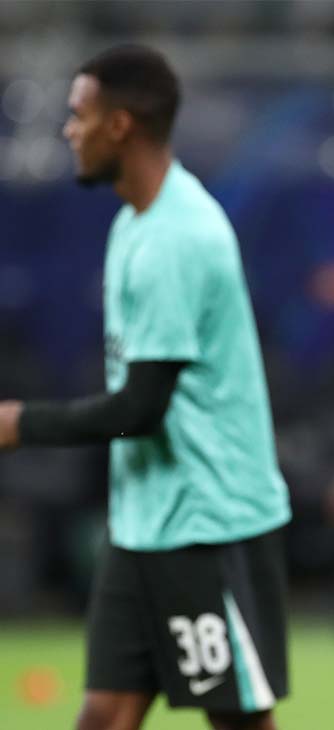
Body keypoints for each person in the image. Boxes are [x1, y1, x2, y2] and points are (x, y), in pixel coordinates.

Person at [0, 45, 290, 730]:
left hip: (210, 524)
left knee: (238, 721)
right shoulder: (136, 222)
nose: (69, 130)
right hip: (143, 527)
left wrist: (18, 424)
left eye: (79, 115)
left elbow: (141, 408)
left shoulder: (176, 240)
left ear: (120, 125)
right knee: (104, 715)